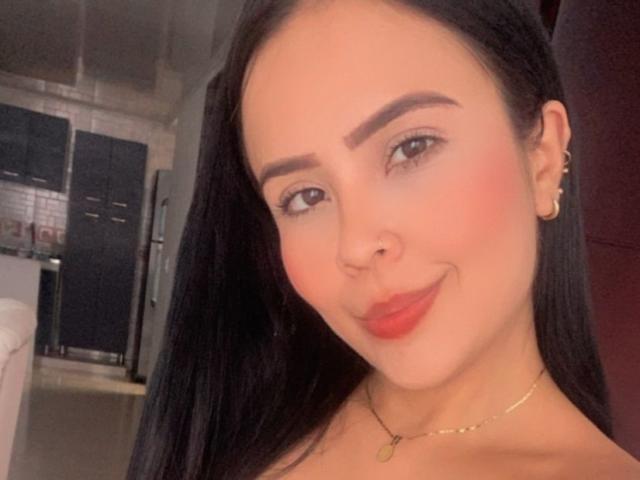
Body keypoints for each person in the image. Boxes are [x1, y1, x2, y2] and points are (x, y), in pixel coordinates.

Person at [127, 1, 640, 478]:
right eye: (305, 196)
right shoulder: (243, 416)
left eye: (411, 148)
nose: (354, 246)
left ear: (543, 159)